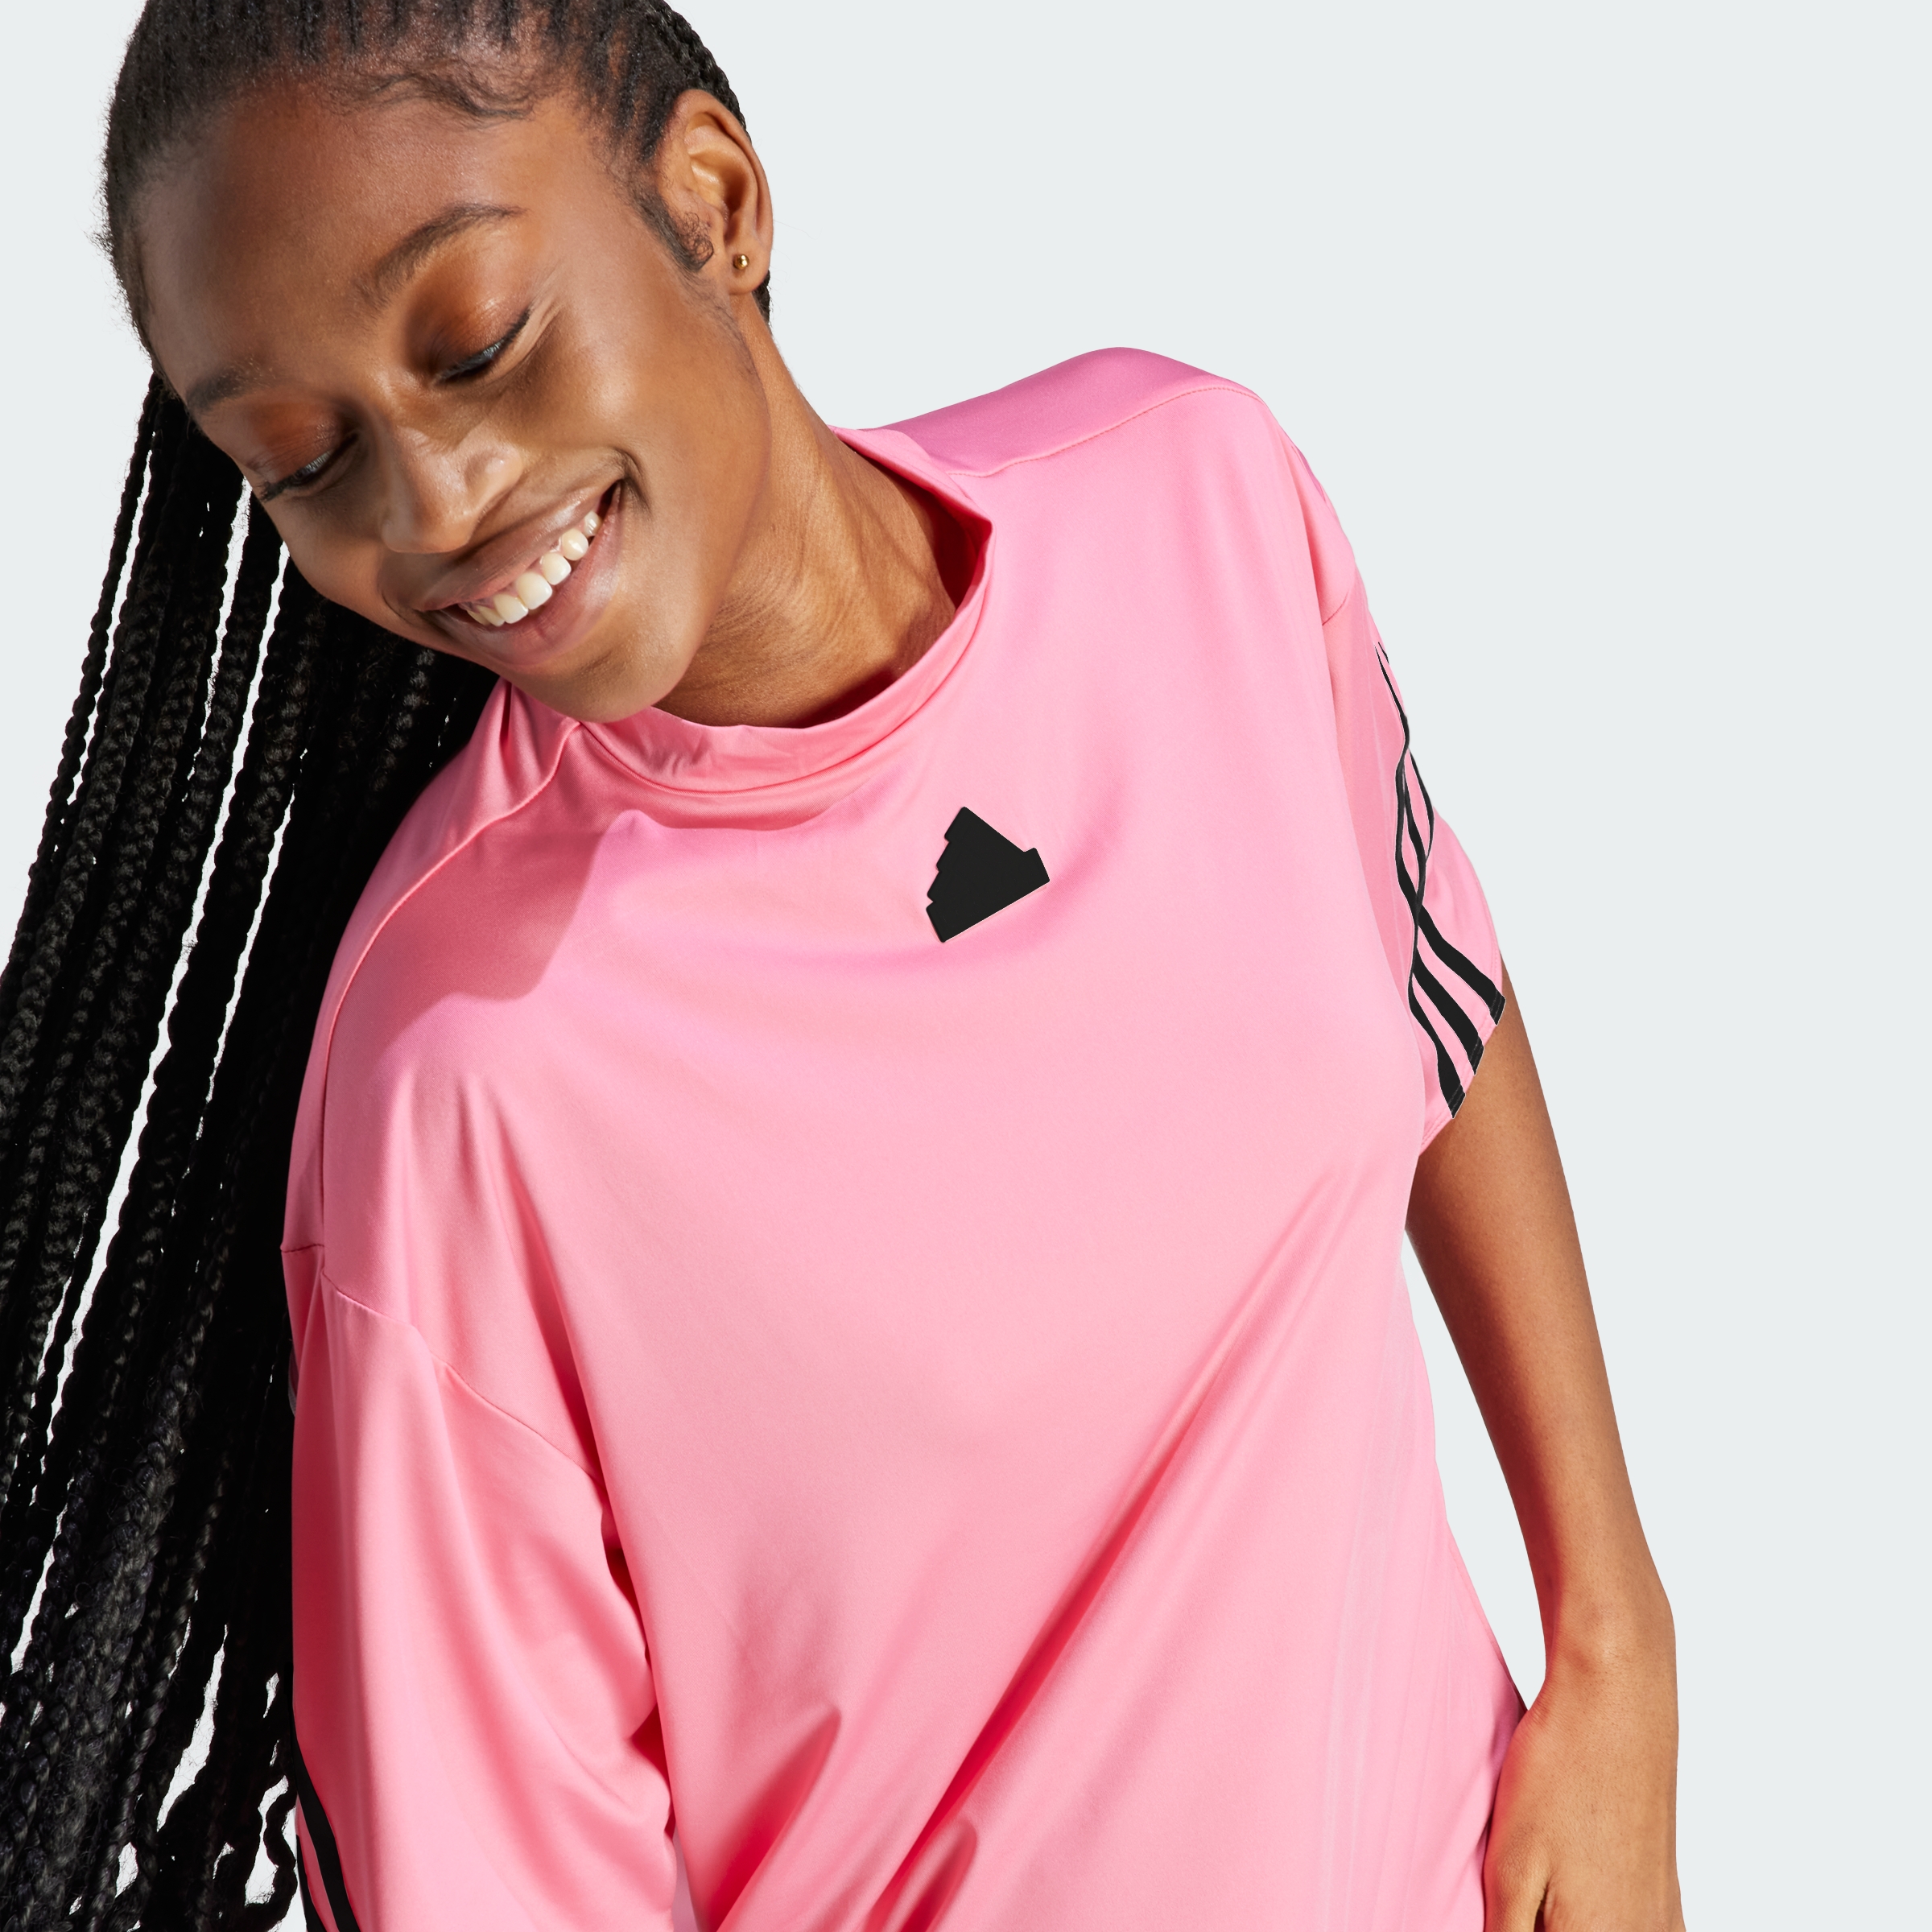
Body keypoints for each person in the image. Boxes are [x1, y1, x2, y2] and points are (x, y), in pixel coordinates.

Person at [0, 3, 1685, 1929]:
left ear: (712, 200)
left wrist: (1615, 1642)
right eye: (304, 462)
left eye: (474, 344)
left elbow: (1425, 992)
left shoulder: (1195, 499)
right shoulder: (463, 1075)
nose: (433, 505)